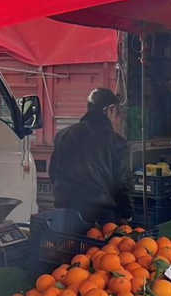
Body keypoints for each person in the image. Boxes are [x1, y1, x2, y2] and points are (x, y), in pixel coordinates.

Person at [49, 88, 133, 224]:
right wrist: (126, 214)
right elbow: (121, 185)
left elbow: (53, 174)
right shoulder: (117, 142)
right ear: (110, 110)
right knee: (99, 245)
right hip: (101, 219)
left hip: (66, 216)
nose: (117, 119)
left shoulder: (63, 135)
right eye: (117, 113)